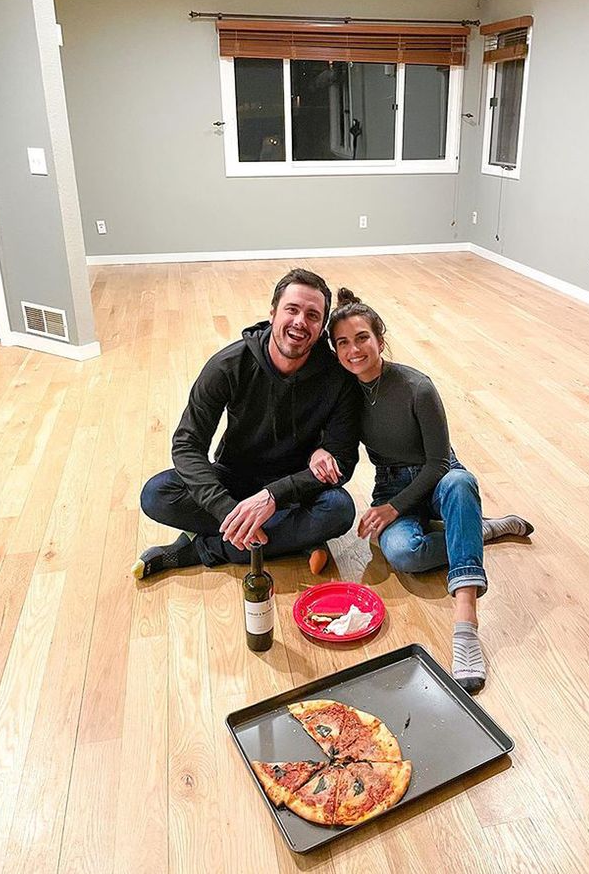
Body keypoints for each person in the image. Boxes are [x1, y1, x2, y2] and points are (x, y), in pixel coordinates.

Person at [309, 289, 533, 692]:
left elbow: (439, 464)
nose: (354, 349)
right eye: (342, 342)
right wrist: (323, 449)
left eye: (362, 337)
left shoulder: (417, 387)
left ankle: (466, 628)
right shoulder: (344, 395)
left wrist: (393, 509)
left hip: (438, 475)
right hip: (390, 481)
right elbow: (336, 441)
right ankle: (473, 532)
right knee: (401, 553)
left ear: (379, 337)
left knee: (462, 484)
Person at [132, 269, 360, 579]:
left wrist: (274, 496)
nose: (300, 322)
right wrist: (226, 509)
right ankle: (294, 539)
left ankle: (202, 549)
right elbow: (187, 445)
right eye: (291, 310)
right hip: (235, 479)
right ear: (272, 312)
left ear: (321, 328)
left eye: (312, 315)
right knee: (156, 494)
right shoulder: (227, 365)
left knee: (339, 509)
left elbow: (342, 461)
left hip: (295, 487)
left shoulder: (338, 377)